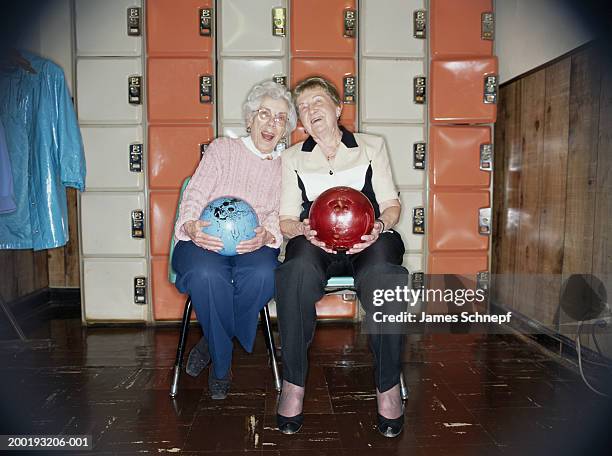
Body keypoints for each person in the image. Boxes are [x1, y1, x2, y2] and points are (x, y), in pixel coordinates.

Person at [275, 77, 409, 437]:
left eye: (318, 102)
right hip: (315, 241)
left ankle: (388, 386)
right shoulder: (292, 158)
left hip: (370, 240)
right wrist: (301, 230)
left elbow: (392, 205)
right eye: (303, 107)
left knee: (386, 276)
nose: (310, 111)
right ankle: (293, 385)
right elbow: (287, 218)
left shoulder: (370, 146)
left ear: (338, 108)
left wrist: (379, 226)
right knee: (295, 272)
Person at [172, 80, 297, 400]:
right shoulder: (222, 150)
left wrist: (267, 234)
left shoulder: (287, 166)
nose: (272, 123)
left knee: (266, 275)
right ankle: (221, 368)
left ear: (286, 129)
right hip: (203, 241)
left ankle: (211, 343)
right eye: (265, 114)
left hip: (251, 246)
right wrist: (191, 227)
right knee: (207, 275)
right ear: (250, 119)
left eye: (281, 118)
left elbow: (281, 213)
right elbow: (195, 194)